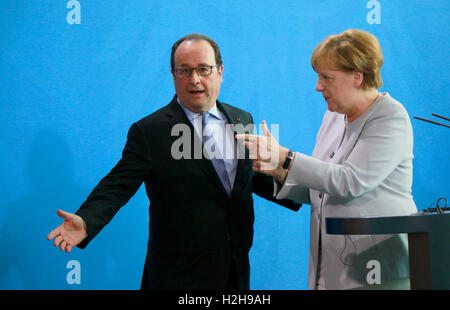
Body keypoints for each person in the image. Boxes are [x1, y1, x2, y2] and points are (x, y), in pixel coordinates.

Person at [46, 33, 299, 290]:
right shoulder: (150, 131)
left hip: (235, 267)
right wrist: (87, 220)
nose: (195, 79)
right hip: (177, 276)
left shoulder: (241, 118)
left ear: (220, 72)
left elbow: (246, 177)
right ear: (173, 74)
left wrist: (297, 185)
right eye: (184, 71)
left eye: (203, 69)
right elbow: (117, 185)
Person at [236, 29, 417, 290]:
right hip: (330, 268)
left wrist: (286, 157)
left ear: (357, 76)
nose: (318, 86)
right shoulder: (333, 116)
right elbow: (321, 189)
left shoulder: (390, 117)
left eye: (326, 77)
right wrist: (278, 171)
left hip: (378, 270)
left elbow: (350, 181)